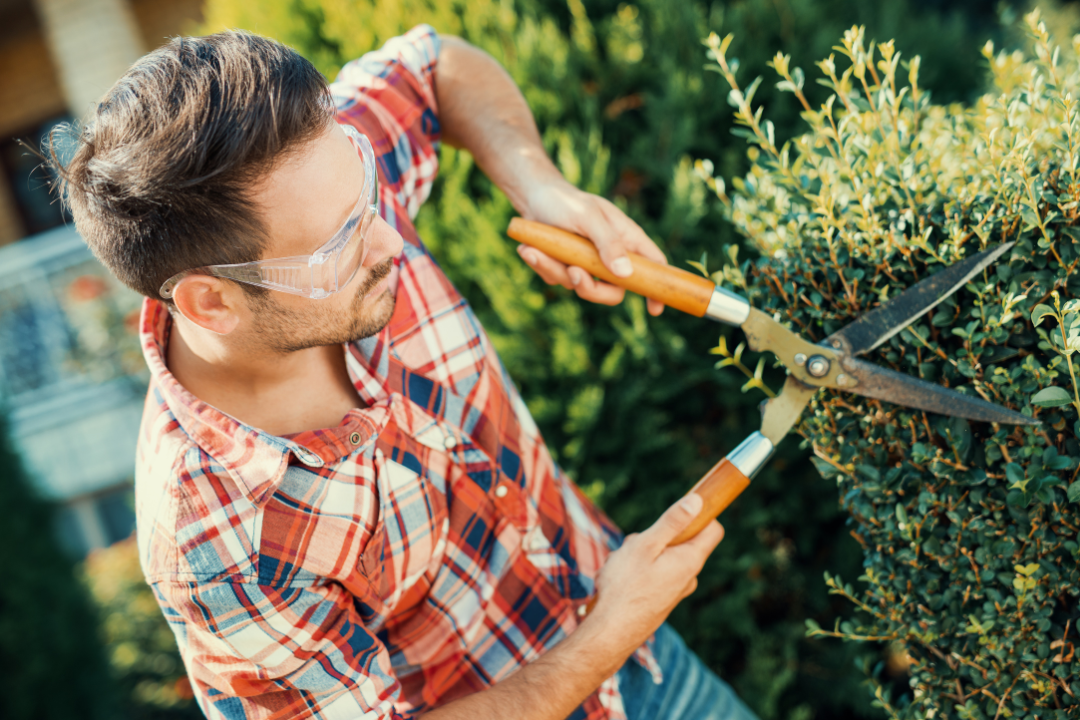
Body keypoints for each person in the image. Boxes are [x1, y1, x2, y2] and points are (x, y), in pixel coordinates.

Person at [48, 24, 756, 720]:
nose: (389, 238)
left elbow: (434, 64)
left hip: (652, 663)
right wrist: (607, 634)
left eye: (366, 187)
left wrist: (540, 188)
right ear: (212, 301)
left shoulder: (314, 180)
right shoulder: (218, 549)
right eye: (341, 243)